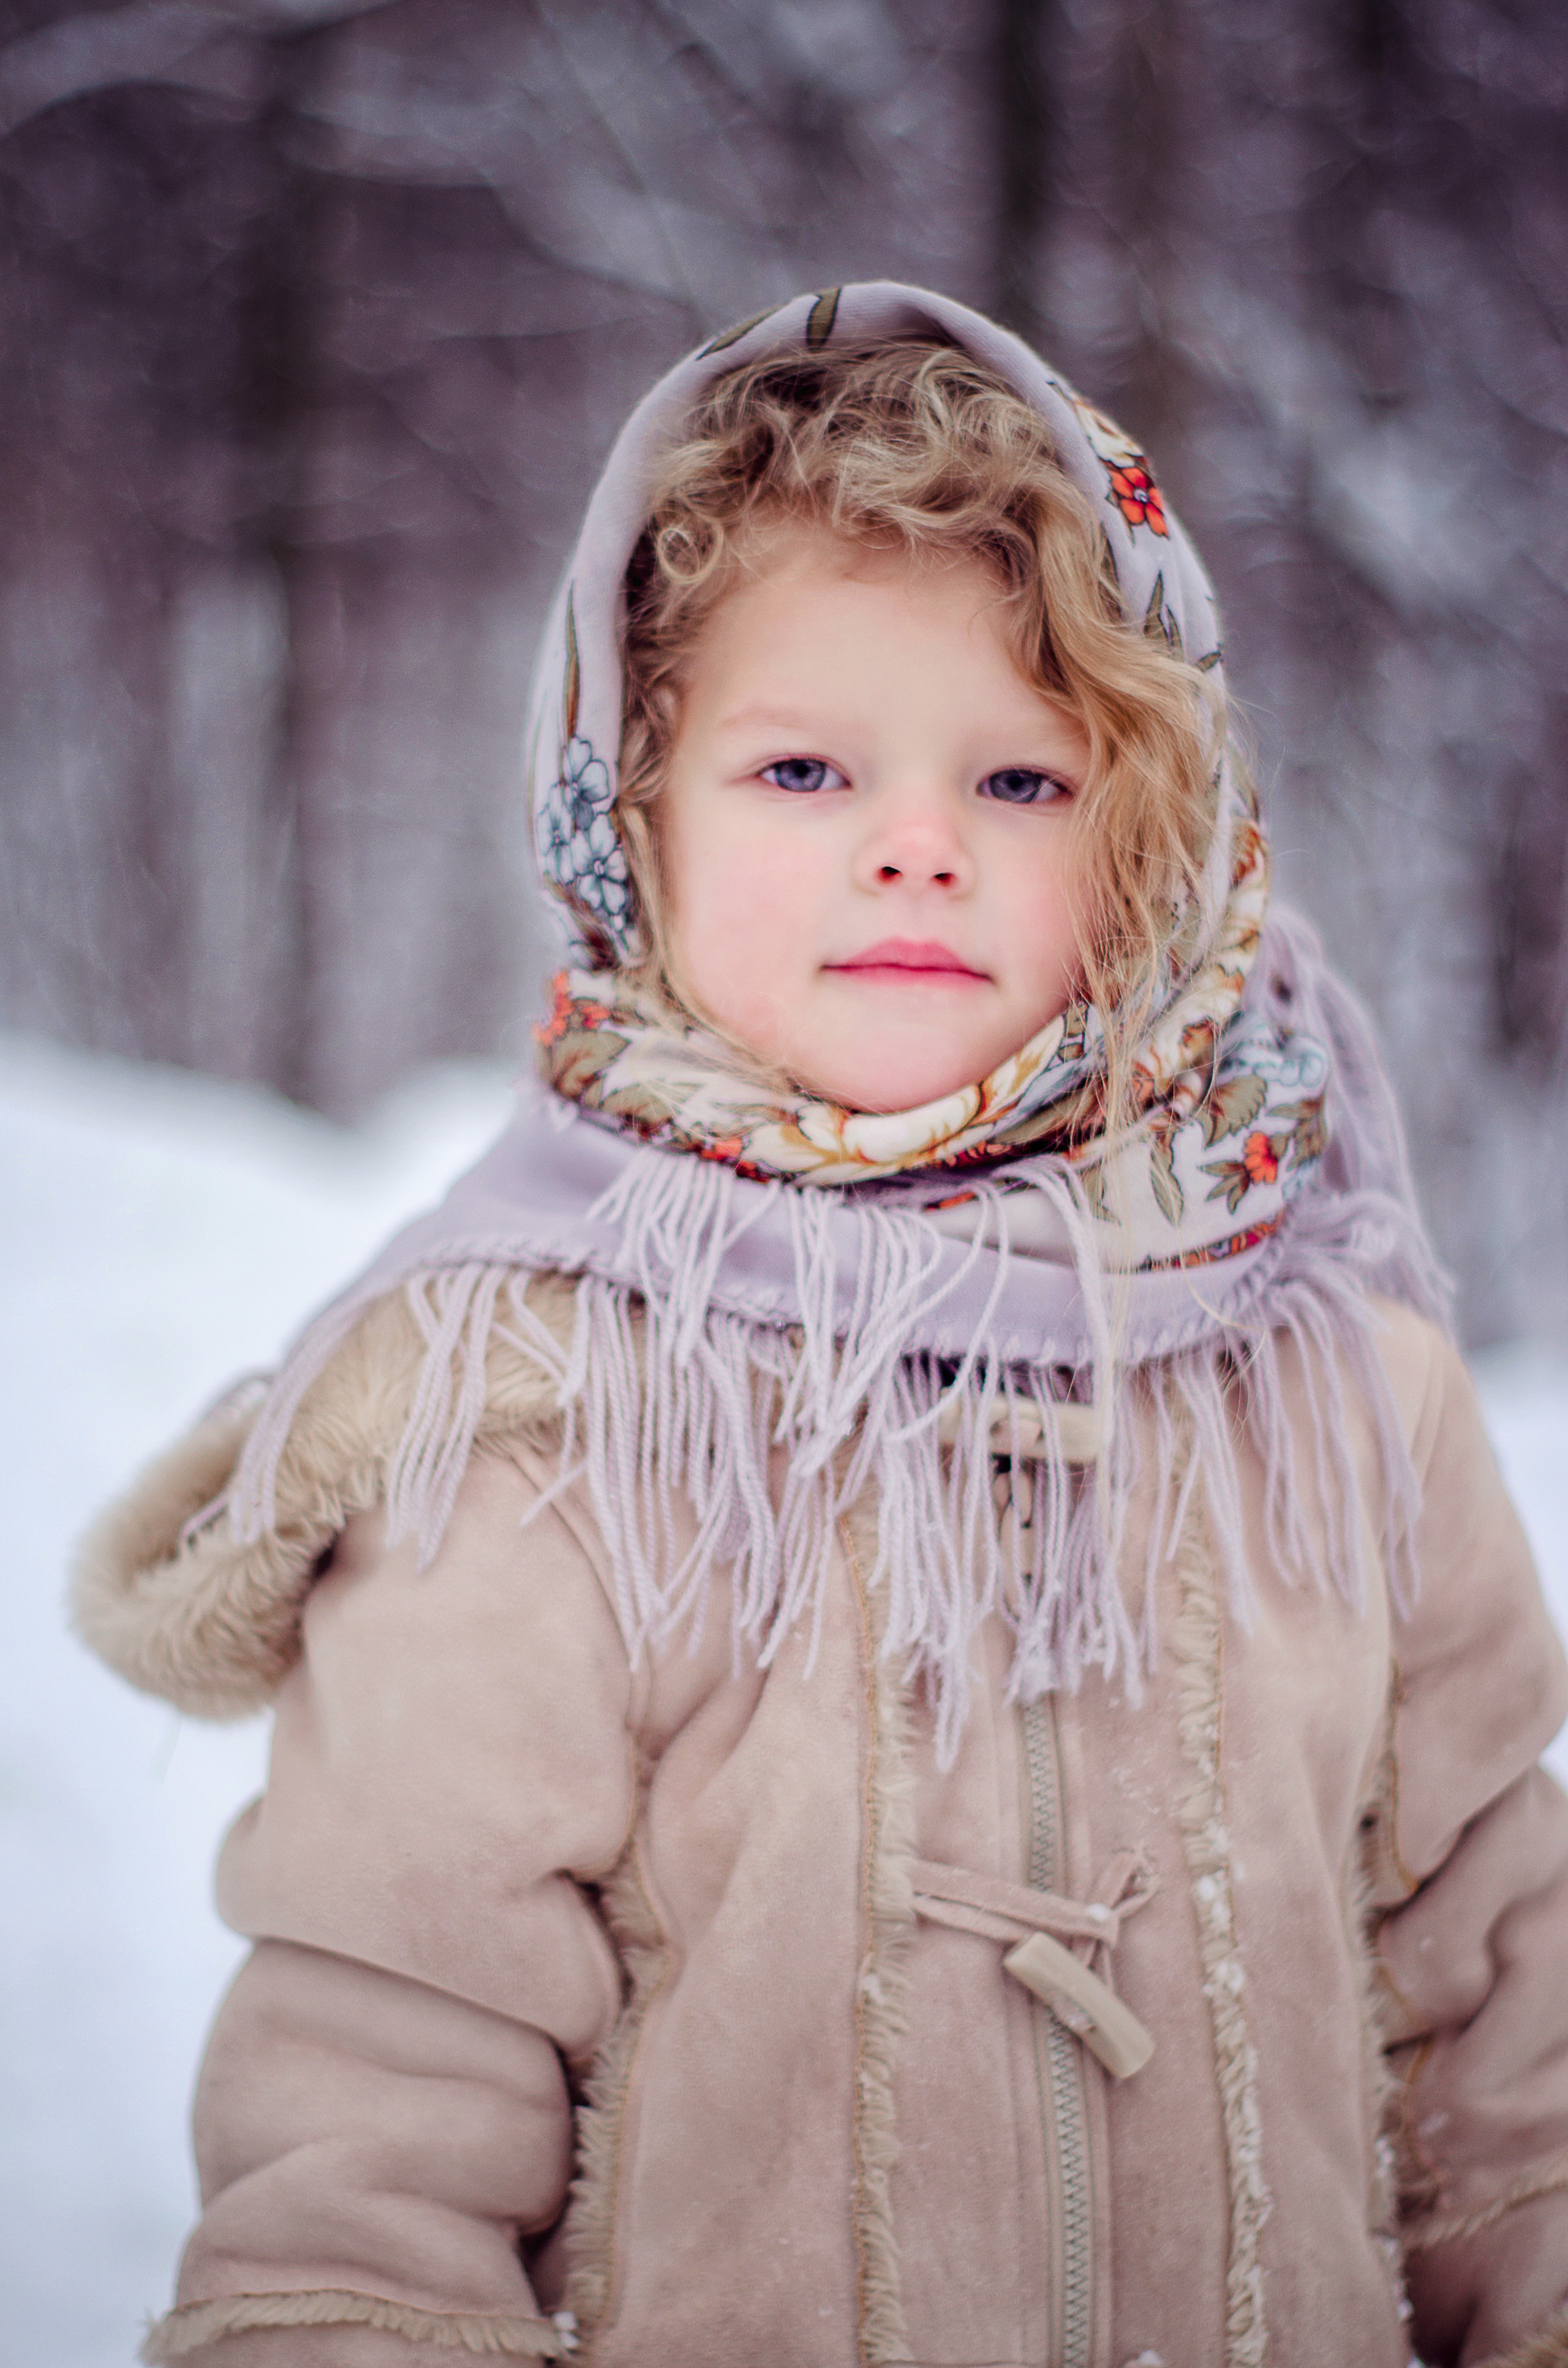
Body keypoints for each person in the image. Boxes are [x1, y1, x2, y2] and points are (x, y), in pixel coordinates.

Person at [75, 284, 1568, 2368]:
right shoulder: (548, 1417)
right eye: (801, 766)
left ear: (1162, 823)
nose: (918, 845)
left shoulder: (1336, 1387)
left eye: (1026, 779)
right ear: (631, 820)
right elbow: (379, 2128)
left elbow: (1507, 2056)